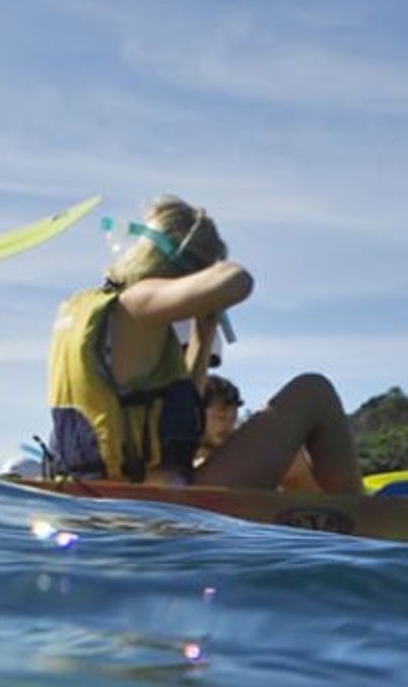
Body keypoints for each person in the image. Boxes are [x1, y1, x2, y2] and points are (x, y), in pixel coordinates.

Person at [44, 196, 360, 492]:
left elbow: (178, 417)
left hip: (108, 487)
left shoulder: (90, 311)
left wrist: (203, 333)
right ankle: (357, 515)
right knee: (313, 391)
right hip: (160, 497)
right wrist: (217, 269)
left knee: (292, 455)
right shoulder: (137, 300)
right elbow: (237, 282)